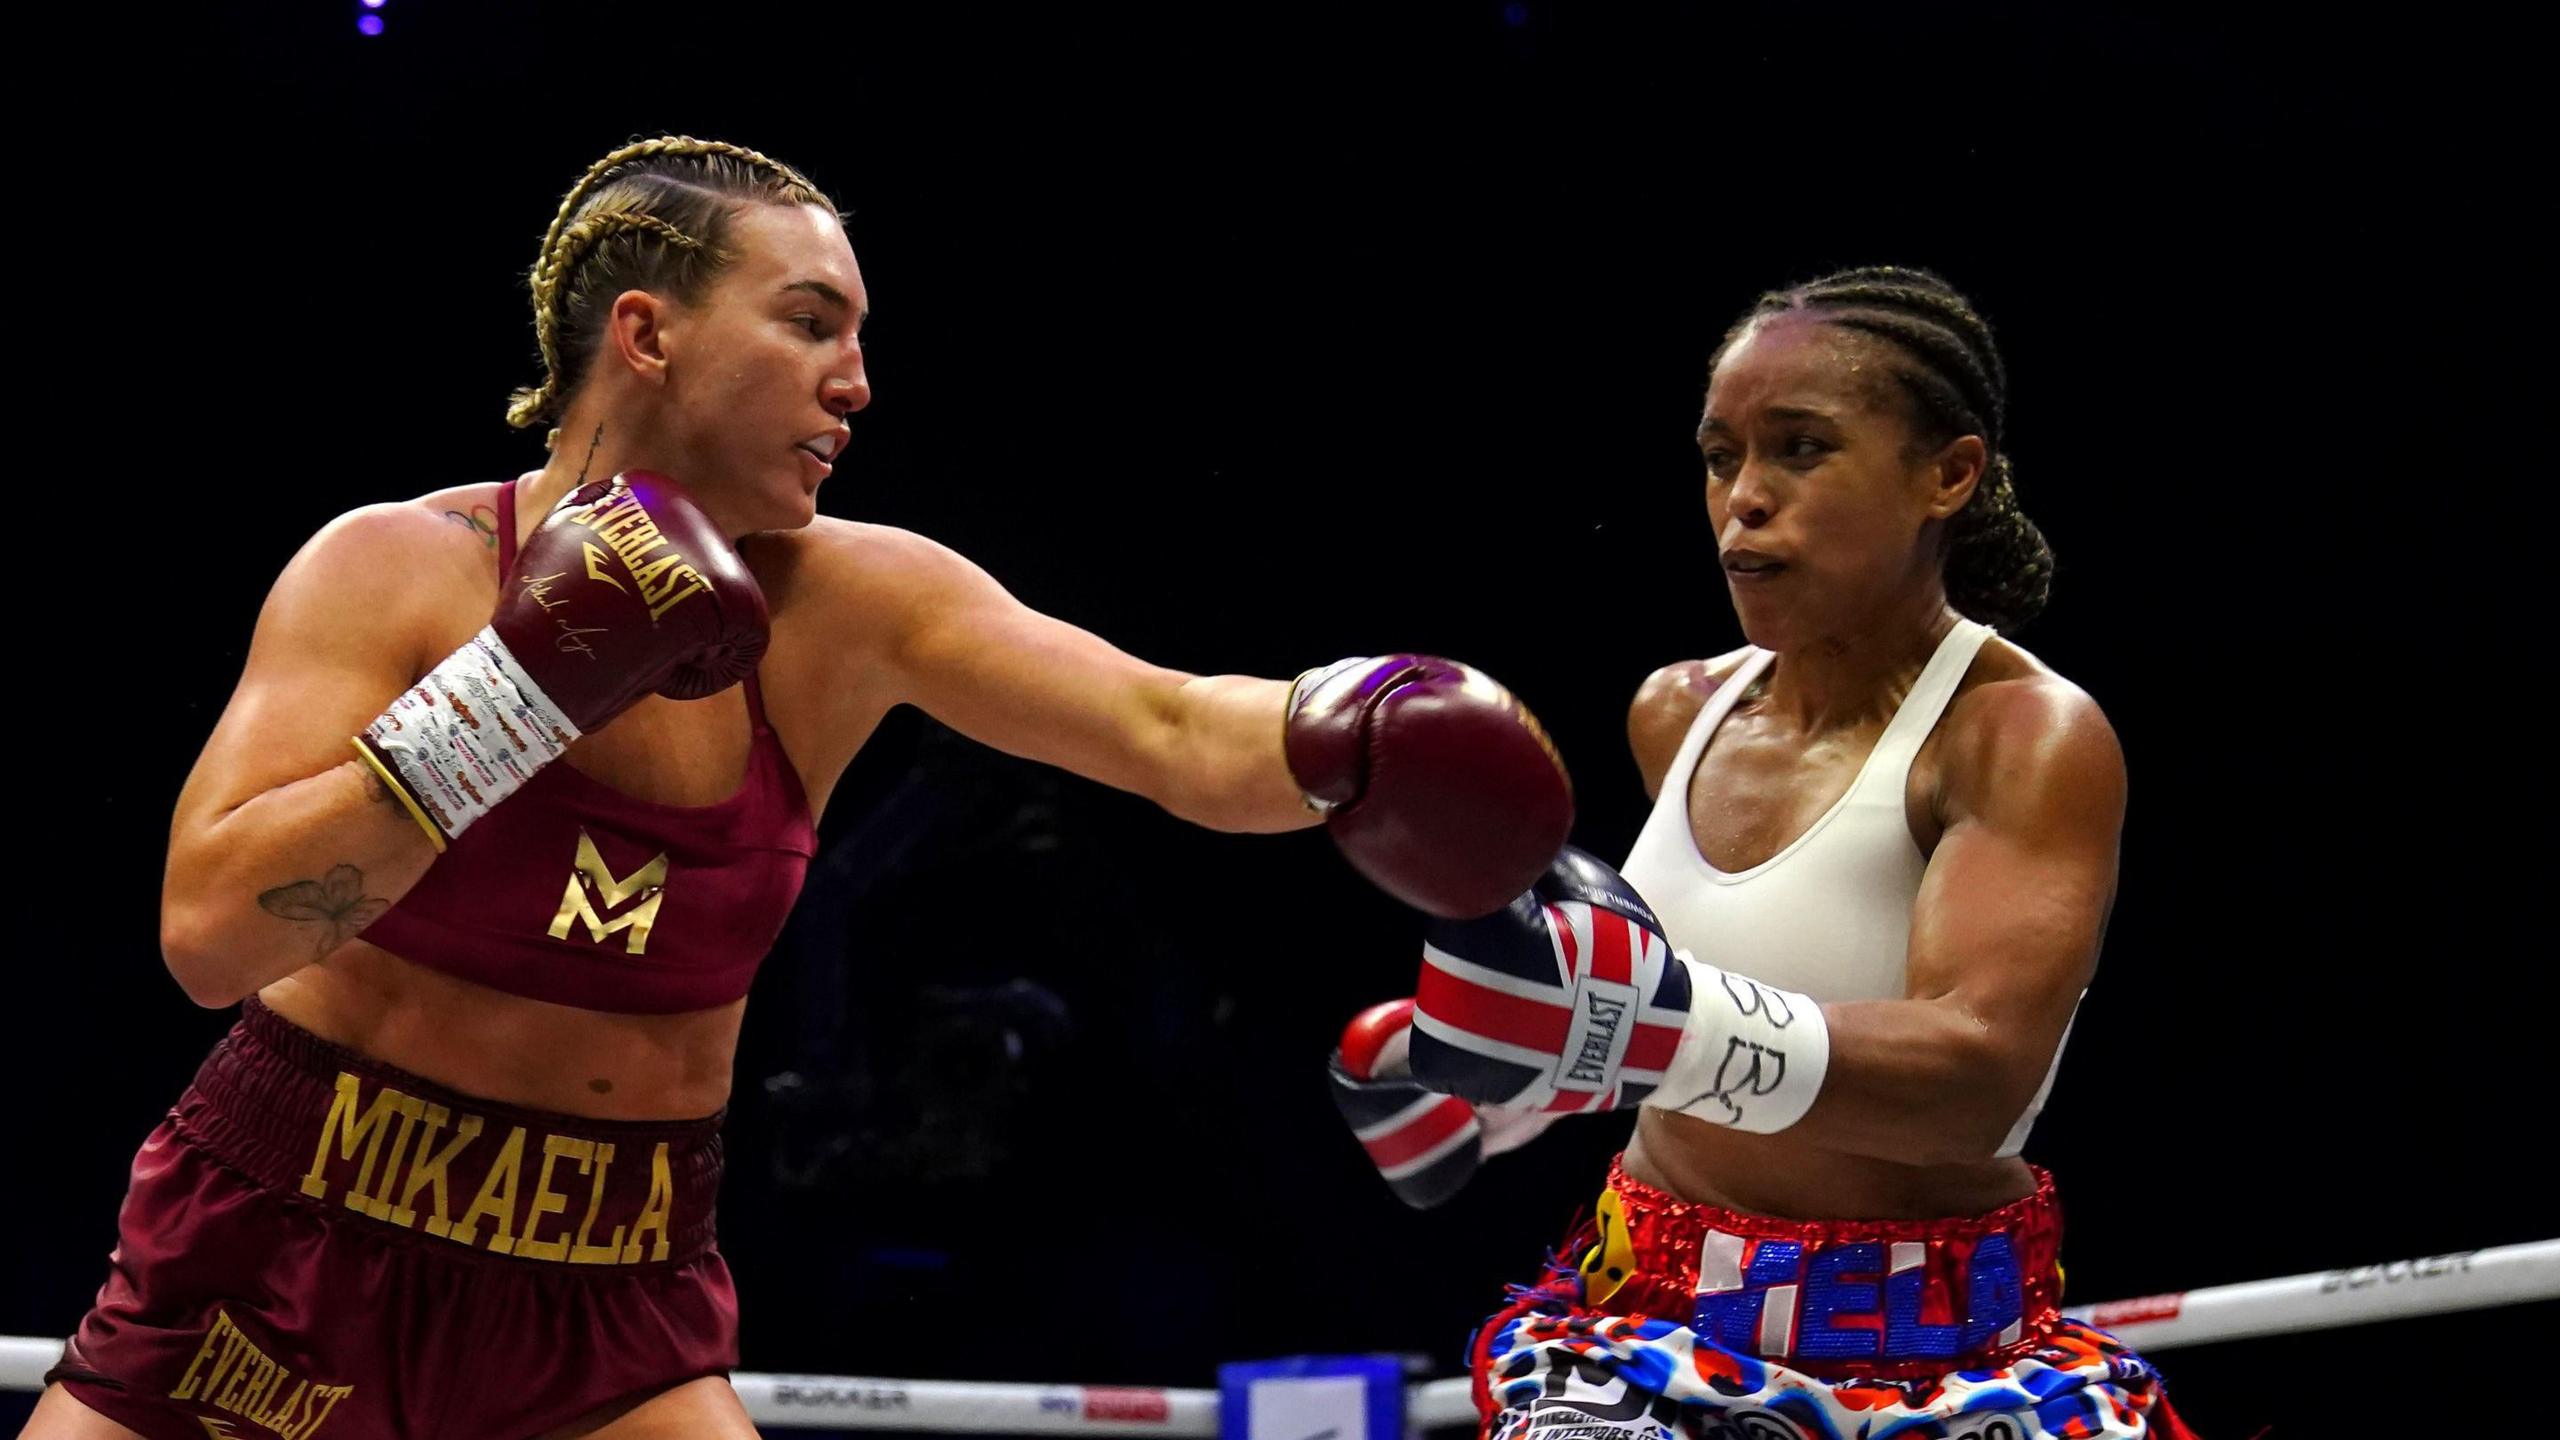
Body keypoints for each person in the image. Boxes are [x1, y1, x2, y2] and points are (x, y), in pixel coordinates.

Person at [31, 135, 1569, 1440]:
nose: (859, 383)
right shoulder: (400, 571)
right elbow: (212, 934)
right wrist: (517, 691)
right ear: (648, 334)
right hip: (295, 1230)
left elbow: (1172, 732)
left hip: (609, 1286)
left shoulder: (856, 604)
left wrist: (1353, 724)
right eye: (811, 323)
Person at [1331, 268, 2197, 1438]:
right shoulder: (1674, 711)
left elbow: (1976, 1077)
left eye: (1800, 449)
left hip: (1946, 1357)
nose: (1743, 500)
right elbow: (1677, 1027)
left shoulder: (2019, 733)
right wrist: (1509, 1087)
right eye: (1718, 454)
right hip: (1642, 1326)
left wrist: (1647, 1026)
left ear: (1947, 475)